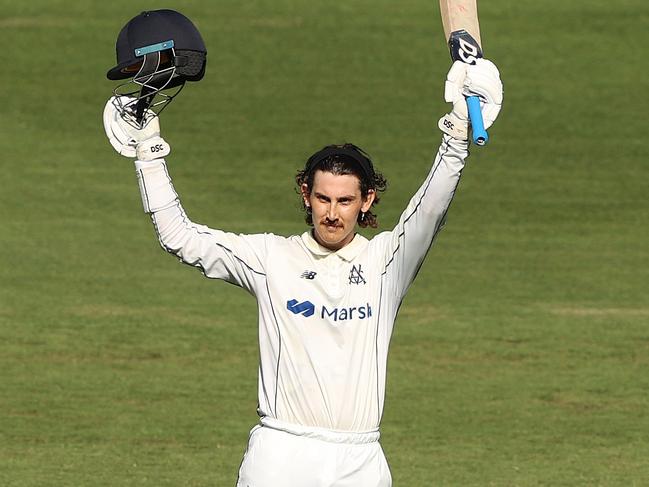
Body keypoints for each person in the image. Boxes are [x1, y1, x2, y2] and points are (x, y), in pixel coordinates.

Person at [103, 42, 502, 487]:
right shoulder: (271, 259)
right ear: (306, 195)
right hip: (281, 455)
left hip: (361, 459)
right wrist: (148, 151)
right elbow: (178, 236)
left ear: (367, 200)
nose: (333, 213)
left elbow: (430, 209)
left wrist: (457, 134)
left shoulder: (386, 261)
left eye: (346, 201)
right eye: (323, 198)